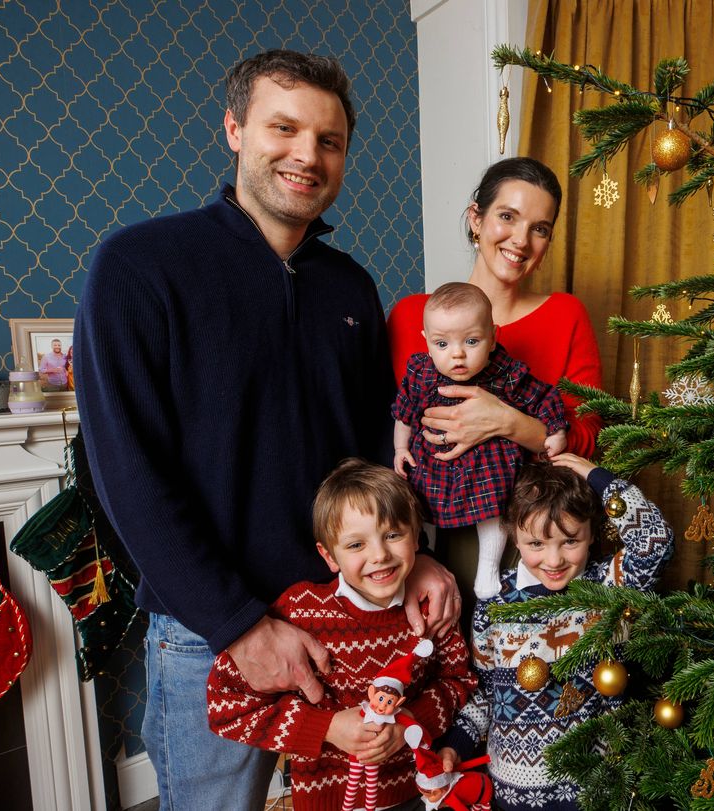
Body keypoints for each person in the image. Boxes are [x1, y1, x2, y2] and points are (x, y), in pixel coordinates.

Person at [75, 49, 460, 809]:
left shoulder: (348, 287)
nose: (306, 155)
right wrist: (240, 625)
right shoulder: (138, 266)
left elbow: (372, 466)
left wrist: (415, 558)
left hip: (348, 608)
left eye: (329, 140)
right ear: (234, 129)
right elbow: (128, 471)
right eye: (282, 128)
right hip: (208, 636)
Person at [387, 157, 603, 599]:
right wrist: (417, 553)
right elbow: (395, 436)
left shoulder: (566, 315)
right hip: (432, 529)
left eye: (540, 228)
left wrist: (506, 421)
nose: (521, 240)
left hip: (538, 538)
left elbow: (587, 440)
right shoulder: (411, 317)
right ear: (476, 218)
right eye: (508, 217)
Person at [208, 459, 476, 811]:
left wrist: (411, 722)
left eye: (393, 535)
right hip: (328, 799)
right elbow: (224, 705)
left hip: (419, 793)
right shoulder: (301, 612)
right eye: (355, 545)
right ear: (328, 555)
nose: (379, 555)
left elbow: (460, 682)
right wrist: (327, 727)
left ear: (415, 535)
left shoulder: (429, 609)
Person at [435, 454, 674, 811]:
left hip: (595, 791)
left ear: (592, 532)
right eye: (536, 544)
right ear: (513, 536)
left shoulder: (606, 586)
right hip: (512, 795)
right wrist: (457, 742)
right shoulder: (494, 602)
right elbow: (486, 692)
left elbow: (655, 542)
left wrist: (598, 478)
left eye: (569, 541)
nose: (553, 560)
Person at [394, 282, 567, 599]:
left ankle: (488, 569)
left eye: (471, 341)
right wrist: (401, 448)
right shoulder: (421, 373)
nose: (457, 353)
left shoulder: (505, 373)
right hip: (432, 465)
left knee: (494, 506)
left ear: (493, 338)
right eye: (442, 344)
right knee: (417, 506)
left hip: (486, 466)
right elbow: (404, 412)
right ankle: (424, 555)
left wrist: (555, 430)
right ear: (427, 343)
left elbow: (543, 398)